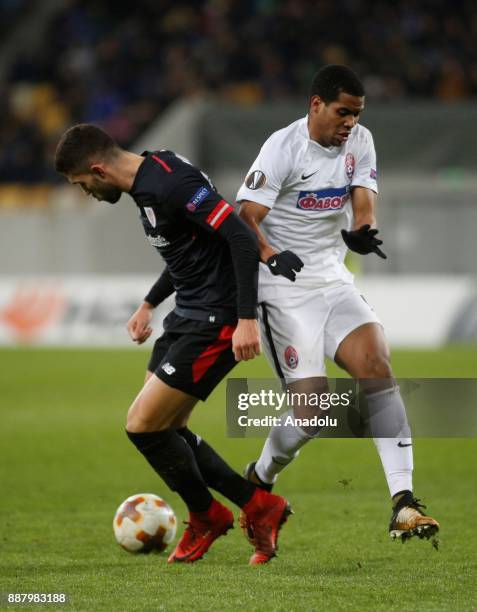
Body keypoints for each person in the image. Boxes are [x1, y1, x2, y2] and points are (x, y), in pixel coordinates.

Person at [54, 124, 292, 565]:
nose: (84, 191)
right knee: (168, 429)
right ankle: (260, 506)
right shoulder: (150, 176)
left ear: (98, 169)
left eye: (81, 183)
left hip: (216, 319)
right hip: (187, 314)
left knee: (142, 425)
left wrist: (244, 320)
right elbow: (187, 251)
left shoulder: (170, 183)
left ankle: (208, 516)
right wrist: (149, 304)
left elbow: (238, 235)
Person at [236, 65, 439, 542]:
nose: (349, 122)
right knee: (312, 410)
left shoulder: (360, 141)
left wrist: (361, 229)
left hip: (332, 278)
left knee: (376, 365)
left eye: (356, 114)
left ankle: (403, 502)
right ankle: (261, 478)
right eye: (342, 112)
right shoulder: (282, 147)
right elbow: (245, 215)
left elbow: (363, 197)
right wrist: (269, 253)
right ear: (316, 106)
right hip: (283, 288)